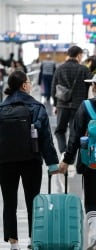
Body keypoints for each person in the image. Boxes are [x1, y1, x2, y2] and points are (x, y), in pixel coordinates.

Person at [0, 70, 60, 250]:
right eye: (28, 82)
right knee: (33, 201)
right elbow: (45, 138)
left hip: (5, 162)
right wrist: (52, 164)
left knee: (9, 202)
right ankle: (33, 239)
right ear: (24, 85)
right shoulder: (37, 108)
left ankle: (13, 243)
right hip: (31, 160)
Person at [59, 83, 96, 248]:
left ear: (94, 87)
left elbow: (74, 137)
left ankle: (94, 231)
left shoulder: (86, 106)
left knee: (91, 201)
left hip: (91, 163)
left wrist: (67, 160)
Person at [51, 45, 92, 154]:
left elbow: (53, 86)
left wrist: (55, 104)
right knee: (75, 132)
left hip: (62, 105)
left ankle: (63, 152)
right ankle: (71, 155)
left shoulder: (60, 68)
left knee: (60, 131)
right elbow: (91, 87)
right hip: (79, 106)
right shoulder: (84, 69)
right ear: (79, 55)